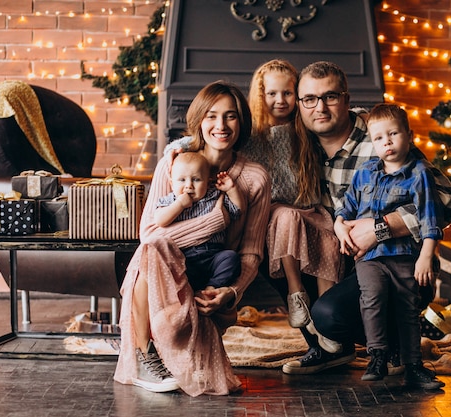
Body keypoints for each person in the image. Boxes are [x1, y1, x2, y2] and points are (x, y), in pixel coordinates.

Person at [282, 61, 451, 388]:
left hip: (400, 261)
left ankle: (396, 347)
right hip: (350, 258)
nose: (319, 107)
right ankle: (327, 348)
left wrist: (379, 228)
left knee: (330, 314)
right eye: (309, 99)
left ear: (346, 100)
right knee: (278, 231)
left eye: (330, 97)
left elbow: (448, 202)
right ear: (299, 104)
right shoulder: (302, 145)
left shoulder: (381, 136)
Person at [113, 81, 271, 396]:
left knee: (214, 261)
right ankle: (146, 354)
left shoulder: (255, 178)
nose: (221, 126)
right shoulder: (173, 164)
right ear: (199, 121)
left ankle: (179, 345)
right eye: (211, 116)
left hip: (214, 274)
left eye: (231, 116)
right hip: (164, 272)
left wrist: (232, 291)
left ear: (241, 122)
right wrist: (218, 219)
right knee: (153, 249)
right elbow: (149, 234)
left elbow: (251, 252)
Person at [334, 103, 445, 387]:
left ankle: (413, 367)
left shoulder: (420, 173)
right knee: (372, 299)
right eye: (379, 138)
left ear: (409, 134)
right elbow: (345, 209)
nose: (387, 142)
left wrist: (426, 257)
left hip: (405, 255)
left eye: (393, 134)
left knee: (407, 307)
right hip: (369, 257)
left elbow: (430, 219)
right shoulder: (364, 174)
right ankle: (378, 355)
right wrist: (339, 225)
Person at [241, 59, 344, 343]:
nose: (280, 100)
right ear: (261, 96)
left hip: (307, 205)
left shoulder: (304, 129)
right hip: (275, 211)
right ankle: (295, 293)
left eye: (287, 93)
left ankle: (327, 315)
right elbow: (206, 139)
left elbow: (345, 115)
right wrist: (178, 147)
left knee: (329, 237)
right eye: (272, 94)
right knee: (287, 216)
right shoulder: (252, 134)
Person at [154, 151, 243, 291]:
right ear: (171, 183)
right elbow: (160, 220)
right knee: (169, 267)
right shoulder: (171, 200)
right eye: (182, 180)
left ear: (208, 182)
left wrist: (232, 189)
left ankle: (212, 287)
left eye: (196, 179)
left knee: (231, 258)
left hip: (213, 255)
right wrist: (179, 205)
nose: (189, 185)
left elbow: (237, 210)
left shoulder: (214, 196)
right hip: (184, 258)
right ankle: (186, 291)